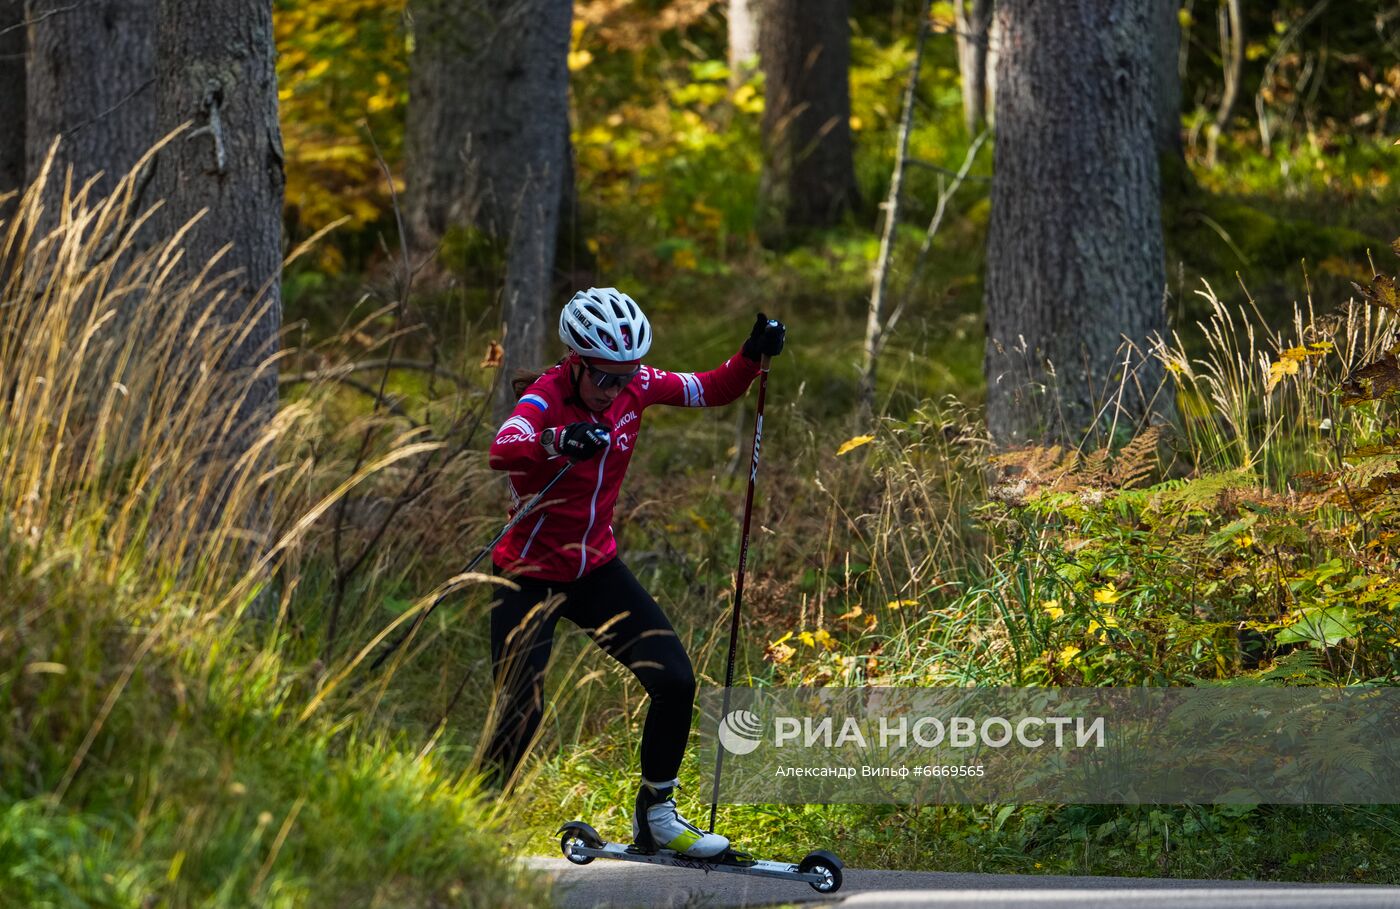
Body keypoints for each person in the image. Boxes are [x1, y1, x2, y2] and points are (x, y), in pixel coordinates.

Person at [484, 287, 785, 858]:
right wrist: (556, 441)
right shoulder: (546, 396)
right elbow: (505, 447)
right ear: (576, 361)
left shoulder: (636, 385)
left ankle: (656, 816)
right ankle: (475, 823)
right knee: (522, 707)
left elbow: (710, 388)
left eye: (624, 377)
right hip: (525, 576)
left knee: (675, 680)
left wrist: (751, 356)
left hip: (594, 570)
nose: (614, 389)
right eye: (603, 377)